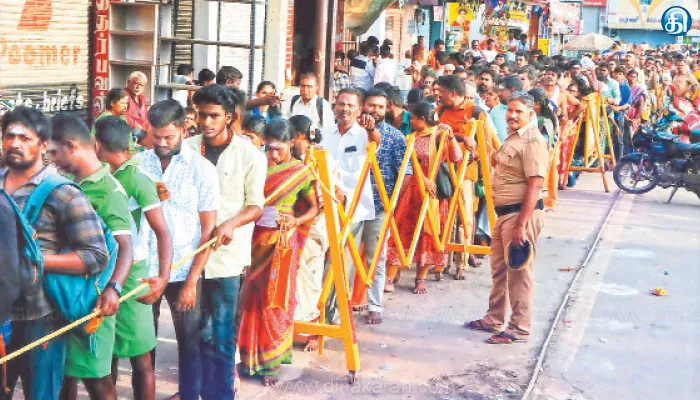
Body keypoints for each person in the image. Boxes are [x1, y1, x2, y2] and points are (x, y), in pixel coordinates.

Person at [2, 107, 108, 400]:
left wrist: (33, 261)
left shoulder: (62, 193)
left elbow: (96, 255)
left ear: (43, 144)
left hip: (42, 317)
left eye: (25, 137)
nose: (15, 142)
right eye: (9, 135)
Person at [186, 84, 266, 399]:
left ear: (230, 117)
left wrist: (231, 223)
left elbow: (256, 205)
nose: (206, 122)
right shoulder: (186, 148)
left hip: (225, 261)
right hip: (188, 259)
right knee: (192, 336)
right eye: (201, 115)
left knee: (220, 336)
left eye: (213, 116)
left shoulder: (250, 155)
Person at [49, 115, 133, 400]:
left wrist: (114, 288)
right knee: (64, 376)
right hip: (64, 295)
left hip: (93, 299)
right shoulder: (70, 184)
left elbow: (126, 246)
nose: (52, 159)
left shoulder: (109, 191)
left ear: (72, 146)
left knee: (97, 380)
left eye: (54, 152)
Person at [141, 100, 219, 400]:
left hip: (183, 270)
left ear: (184, 130)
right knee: (142, 346)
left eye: (168, 138)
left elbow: (208, 231)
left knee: (189, 343)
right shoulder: (140, 163)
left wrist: (191, 282)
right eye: (156, 137)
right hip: (145, 270)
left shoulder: (202, 170)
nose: (161, 143)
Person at [93, 116, 174, 400]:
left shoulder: (137, 179)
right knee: (106, 357)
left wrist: (162, 278)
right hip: (104, 272)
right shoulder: (100, 176)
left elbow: (162, 232)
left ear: (97, 144)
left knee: (140, 356)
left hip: (133, 272)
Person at [238, 118, 319, 386]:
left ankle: (271, 363)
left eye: (279, 149)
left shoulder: (300, 172)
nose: (273, 155)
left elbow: (314, 208)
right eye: (269, 148)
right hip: (254, 240)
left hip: (283, 243)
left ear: (290, 144)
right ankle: (250, 360)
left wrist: (296, 221)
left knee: (277, 299)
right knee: (251, 299)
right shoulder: (255, 166)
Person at [465, 92, 547, 345]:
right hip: (504, 214)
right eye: (510, 110)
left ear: (531, 113)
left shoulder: (533, 141)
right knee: (499, 269)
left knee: (518, 272)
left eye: (518, 111)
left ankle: (519, 328)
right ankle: (494, 318)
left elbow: (535, 184)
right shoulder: (514, 136)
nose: (512, 115)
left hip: (519, 214)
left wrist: (522, 225)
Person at [386, 101, 463, 294]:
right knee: (400, 232)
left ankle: (420, 278)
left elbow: (457, 158)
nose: (409, 121)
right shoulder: (409, 138)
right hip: (411, 193)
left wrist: (452, 138)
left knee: (427, 236)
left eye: (412, 118)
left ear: (421, 119)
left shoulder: (440, 136)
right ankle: (391, 275)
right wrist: (422, 178)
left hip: (431, 196)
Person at [320, 87, 380, 324]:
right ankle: (322, 311)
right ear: (334, 106)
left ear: (359, 109)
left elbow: (376, 141)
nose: (345, 109)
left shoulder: (365, 134)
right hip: (324, 205)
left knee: (343, 262)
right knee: (323, 259)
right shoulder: (325, 133)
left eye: (350, 105)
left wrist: (372, 128)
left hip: (353, 208)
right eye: (341, 104)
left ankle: (336, 313)